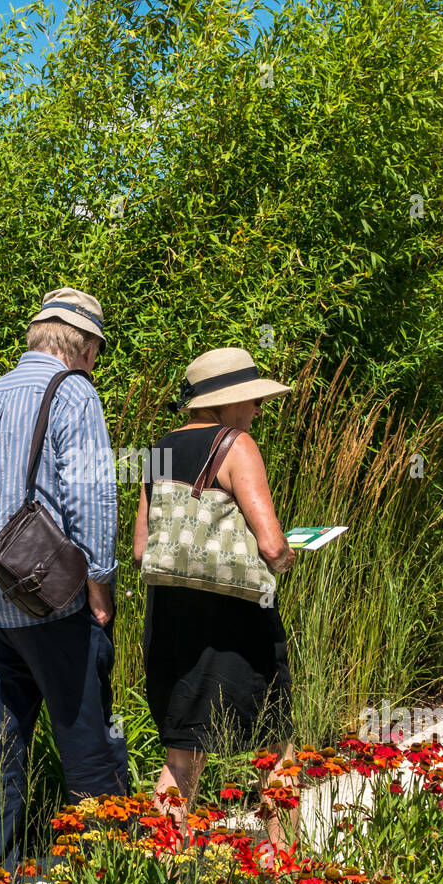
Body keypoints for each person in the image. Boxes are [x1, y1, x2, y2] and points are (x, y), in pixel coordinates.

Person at [0, 287, 127, 871]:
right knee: (87, 746)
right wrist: (99, 583)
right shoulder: (75, 394)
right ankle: (104, 879)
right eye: (98, 351)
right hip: (54, 604)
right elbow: (93, 496)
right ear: (84, 347)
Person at [133, 347, 297, 850]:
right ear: (224, 405)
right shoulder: (236, 444)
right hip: (235, 618)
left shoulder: (158, 447)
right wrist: (289, 557)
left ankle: (161, 866)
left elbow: (141, 549)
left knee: (182, 750)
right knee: (275, 741)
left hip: (170, 616)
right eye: (250, 400)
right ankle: (282, 862)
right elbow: (270, 544)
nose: (257, 410)